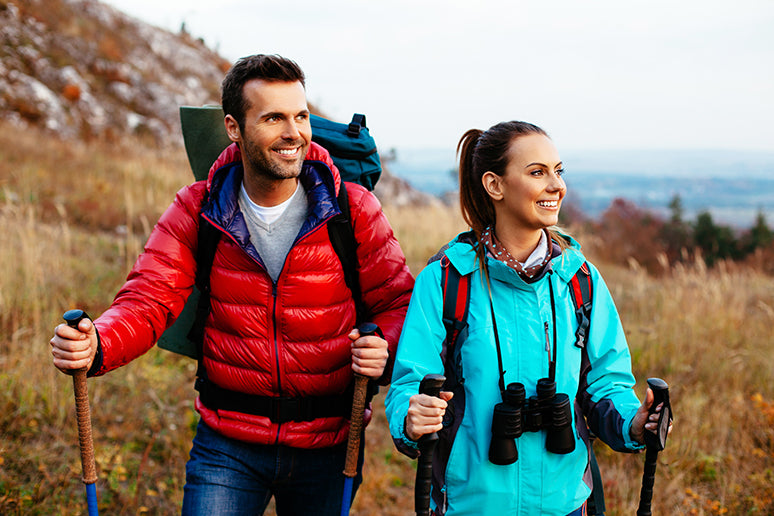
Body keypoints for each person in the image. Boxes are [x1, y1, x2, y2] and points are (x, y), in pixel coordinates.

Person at [50, 54, 414, 515]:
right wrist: (98, 342)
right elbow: (149, 297)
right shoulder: (199, 206)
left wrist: (383, 341)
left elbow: (399, 301)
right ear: (234, 127)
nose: (294, 133)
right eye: (273, 118)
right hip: (227, 442)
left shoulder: (352, 207)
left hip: (330, 440)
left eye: (301, 116)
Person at [384, 121, 671, 516]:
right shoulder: (447, 280)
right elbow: (410, 383)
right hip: (470, 505)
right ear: (495, 185)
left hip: (566, 504)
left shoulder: (579, 280)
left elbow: (606, 384)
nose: (557, 185)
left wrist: (635, 424)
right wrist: (411, 416)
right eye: (538, 172)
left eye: (559, 170)